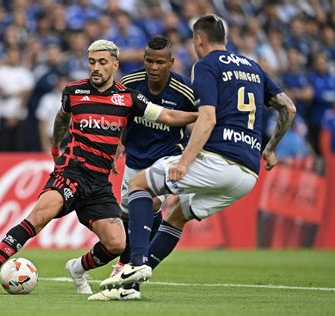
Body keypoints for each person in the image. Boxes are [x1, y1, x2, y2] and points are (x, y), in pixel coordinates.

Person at [0, 40, 198, 294]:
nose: (96, 68)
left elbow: (167, 116)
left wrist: (202, 117)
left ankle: (78, 268)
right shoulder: (74, 92)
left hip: (99, 184)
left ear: (115, 65)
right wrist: (57, 150)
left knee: (117, 243)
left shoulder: (127, 98)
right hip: (71, 173)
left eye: (102, 62)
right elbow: (61, 118)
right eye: (92, 62)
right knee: (40, 216)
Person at [97, 14, 296, 296]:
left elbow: (207, 118)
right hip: (248, 174)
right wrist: (271, 148)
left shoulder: (206, 66)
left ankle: (134, 262)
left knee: (139, 185)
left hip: (219, 158)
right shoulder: (253, 67)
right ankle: (130, 287)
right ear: (224, 39)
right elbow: (288, 108)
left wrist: (184, 163)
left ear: (198, 40)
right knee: (176, 215)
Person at [89, 35, 196, 301]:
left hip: (167, 157)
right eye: (149, 60)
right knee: (130, 214)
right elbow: (119, 117)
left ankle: (131, 265)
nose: (154, 67)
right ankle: (133, 260)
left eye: (160, 62)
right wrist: (117, 146)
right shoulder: (129, 83)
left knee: (152, 203)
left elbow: (200, 120)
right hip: (135, 158)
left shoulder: (184, 91)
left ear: (171, 62)